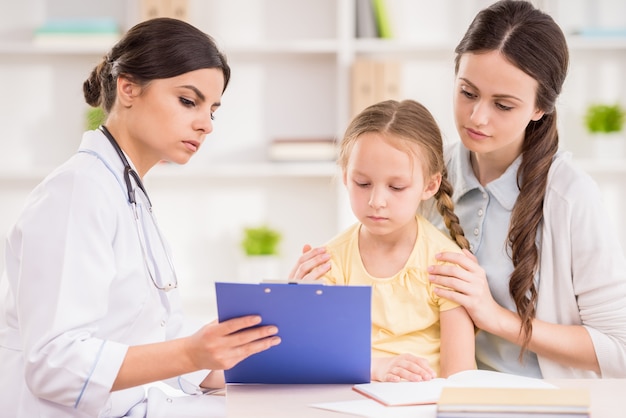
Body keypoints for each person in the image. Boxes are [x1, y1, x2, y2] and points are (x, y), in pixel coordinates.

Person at [290, 0, 626, 379]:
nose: (477, 117)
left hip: (536, 402)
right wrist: (306, 299)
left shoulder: (570, 197)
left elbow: (619, 349)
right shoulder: (421, 172)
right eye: (467, 92)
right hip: (431, 395)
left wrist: (495, 317)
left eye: (503, 104)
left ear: (539, 108)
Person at [0, 18, 281, 417]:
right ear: (128, 88)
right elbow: (54, 363)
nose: (206, 124)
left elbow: (157, 334)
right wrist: (191, 352)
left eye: (213, 109)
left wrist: (250, 349)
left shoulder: (128, 193)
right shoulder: (77, 192)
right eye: (189, 101)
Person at [295, 99, 476, 382]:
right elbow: (311, 356)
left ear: (430, 185)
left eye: (396, 187)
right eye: (363, 183)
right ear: (345, 177)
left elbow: (461, 377)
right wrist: (295, 303)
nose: (376, 201)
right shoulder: (329, 260)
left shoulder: (446, 263)